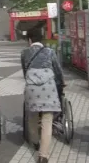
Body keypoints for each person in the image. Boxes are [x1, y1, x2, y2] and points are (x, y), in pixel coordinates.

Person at [21, 27, 64, 163]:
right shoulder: (49, 52)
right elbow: (57, 70)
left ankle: (34, 141)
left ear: (29, 40)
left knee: (32, 117)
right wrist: (62, 82)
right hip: (48, 89)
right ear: (42, 38)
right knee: (47, 120)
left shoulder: (24, 53)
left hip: (32, 89)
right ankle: (43, 156)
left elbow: (24, 72)